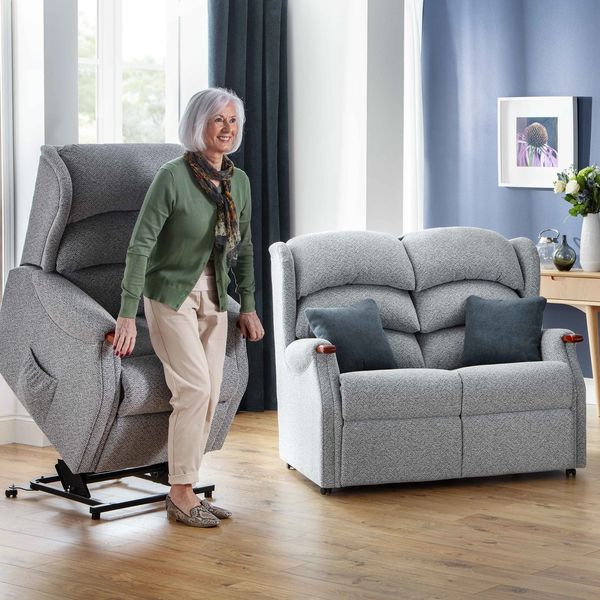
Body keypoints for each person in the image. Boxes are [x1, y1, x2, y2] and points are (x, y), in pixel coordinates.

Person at [113, 88, 264, 527]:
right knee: (194, 389)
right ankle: (180, 494)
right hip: (169, 295)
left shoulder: (239, 182)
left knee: (212, 393)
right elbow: (140, 246)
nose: (227, 128)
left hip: (215, 295)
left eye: (233, 121)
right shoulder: (172, 177)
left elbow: (245, 249)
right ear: (198, 124)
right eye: (218, 120)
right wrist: (127, 313)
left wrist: (249, 306)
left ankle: (189, 488)